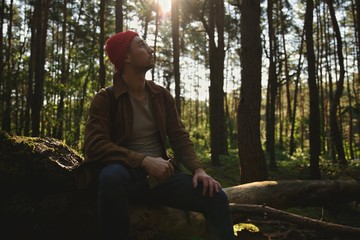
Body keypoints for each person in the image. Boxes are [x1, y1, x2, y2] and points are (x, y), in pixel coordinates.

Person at [81, 30, 234, 240]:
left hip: (162, 177)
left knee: (216, 196)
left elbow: (179, 137)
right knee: (111, 176)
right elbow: (94, 144)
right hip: (126, 176)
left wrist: (199, 170)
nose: (151, 49)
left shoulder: (160, 95)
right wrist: (143, 160)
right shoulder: (106, 98)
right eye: (142, 45)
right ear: (126, 57)